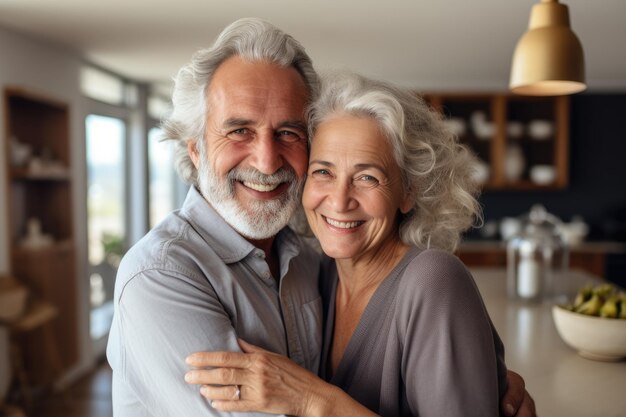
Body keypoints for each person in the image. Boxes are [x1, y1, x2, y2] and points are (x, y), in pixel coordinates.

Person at [107, 17, 534, 417]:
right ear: (195, 148)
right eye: (239, 130)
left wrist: (471, 373)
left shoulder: (308, 260)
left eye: (288, 133)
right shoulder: (161, 276)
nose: (267, 159)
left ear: (409, 191)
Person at [183, 71, 509, 416]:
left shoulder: (434, 281)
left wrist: (314, 401)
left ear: (409, 192)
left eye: (367, 177)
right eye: (323, 172)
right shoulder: (317, 274)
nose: (339, 202)